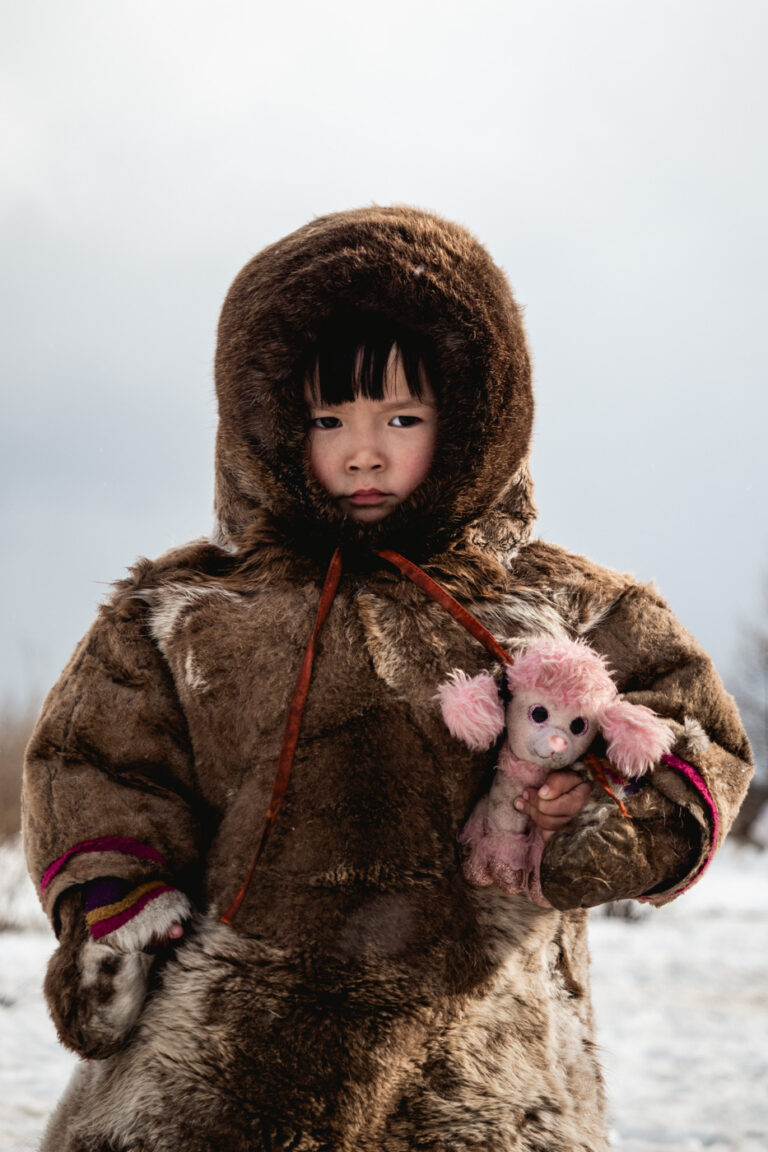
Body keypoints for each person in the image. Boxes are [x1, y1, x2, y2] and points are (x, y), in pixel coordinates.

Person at [23, 206, 752, 1152]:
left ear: (470, 421)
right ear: (271, 423)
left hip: (483, 1072)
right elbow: (96, 763)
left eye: (401, 417)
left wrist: (604, 816)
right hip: (218, 1074)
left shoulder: (567, 604)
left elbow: (695, 731)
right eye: (330, 419)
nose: (364, 449)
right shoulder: (186, 611)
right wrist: (117, 904)